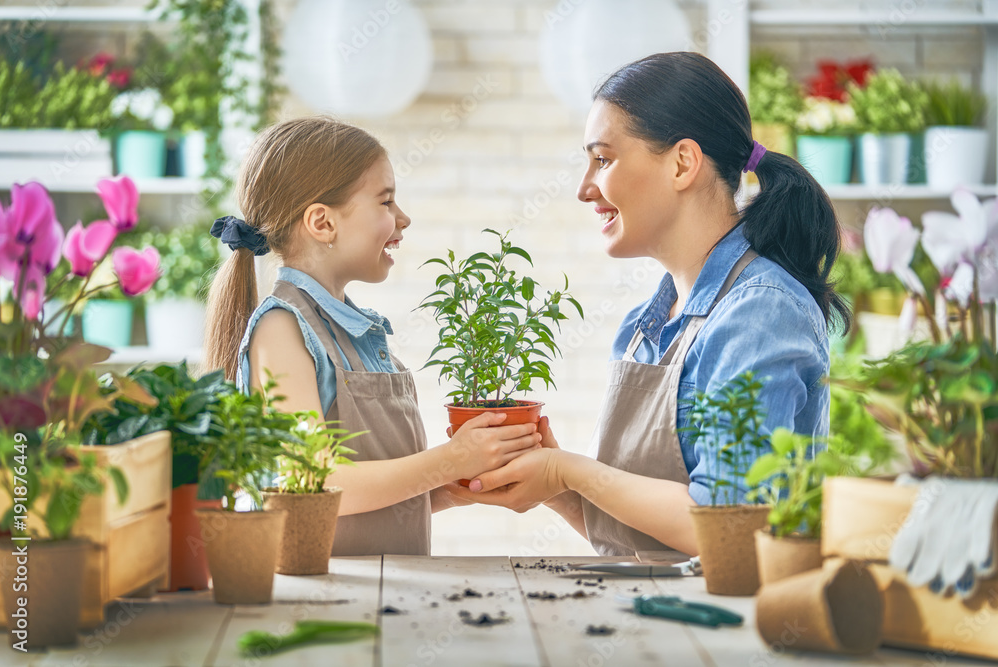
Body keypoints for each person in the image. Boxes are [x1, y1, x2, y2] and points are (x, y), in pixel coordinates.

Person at [448, 52, 850, 557]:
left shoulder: (759, 314)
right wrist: (557, 490)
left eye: (603, 159)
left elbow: (729, 530)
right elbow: (637, 543)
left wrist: (570, 471)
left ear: (683, 162)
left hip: (730, 625)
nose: (583, 188)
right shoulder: (645, 326)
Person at [203, 116, 542, 556]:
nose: (403, 218)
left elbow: (370, 498)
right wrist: (450, 459)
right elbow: (315, 480)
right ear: (322, 223)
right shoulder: (282, 329)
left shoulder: (358, 332)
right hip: (324, 599)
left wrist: (452, 487)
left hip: (380, 592)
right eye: (385, 203)